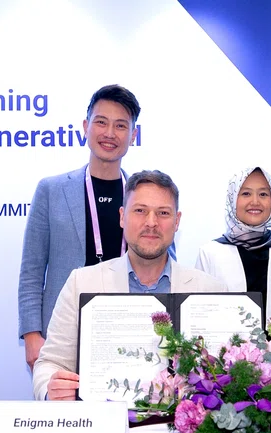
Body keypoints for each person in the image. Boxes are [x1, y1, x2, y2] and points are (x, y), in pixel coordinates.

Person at [33, 170, 227, 401]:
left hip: (182, 423)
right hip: (102, 420)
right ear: (122, 217)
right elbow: (50, 363)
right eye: (140, 211)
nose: (151, 222)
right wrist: (50, 390)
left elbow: (224, 374)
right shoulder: (81, 283)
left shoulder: (211, 290)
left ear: (177, 221)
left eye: (163, 213)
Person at [18, 84, 141, 371]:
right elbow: (32, 271)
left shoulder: (144, 195)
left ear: (133, 135)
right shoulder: (51, 190)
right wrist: (32, 334)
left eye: (120, 125)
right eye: (101, 122)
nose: (109, 133)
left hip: (130, 331)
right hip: (63, 335)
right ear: (86, 127)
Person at [194, 167, 271, 331]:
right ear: (232, 199)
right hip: (227, 347)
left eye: (263, 194)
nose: (255, 201)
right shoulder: (210, 253)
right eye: (246, 193)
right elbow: (201, 315)